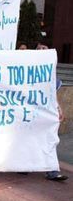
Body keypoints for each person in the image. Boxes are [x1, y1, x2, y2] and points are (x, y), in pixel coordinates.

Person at [33, 41, 68, 181]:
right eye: (39, 47)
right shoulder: (25, 69)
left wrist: (58, 108)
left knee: (50, 140)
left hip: (46, 112)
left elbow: (52, 95)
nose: (42, 50)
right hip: (30, 113)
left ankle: (52, 171)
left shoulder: (50, 74)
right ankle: (22, 167)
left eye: (45, 48)